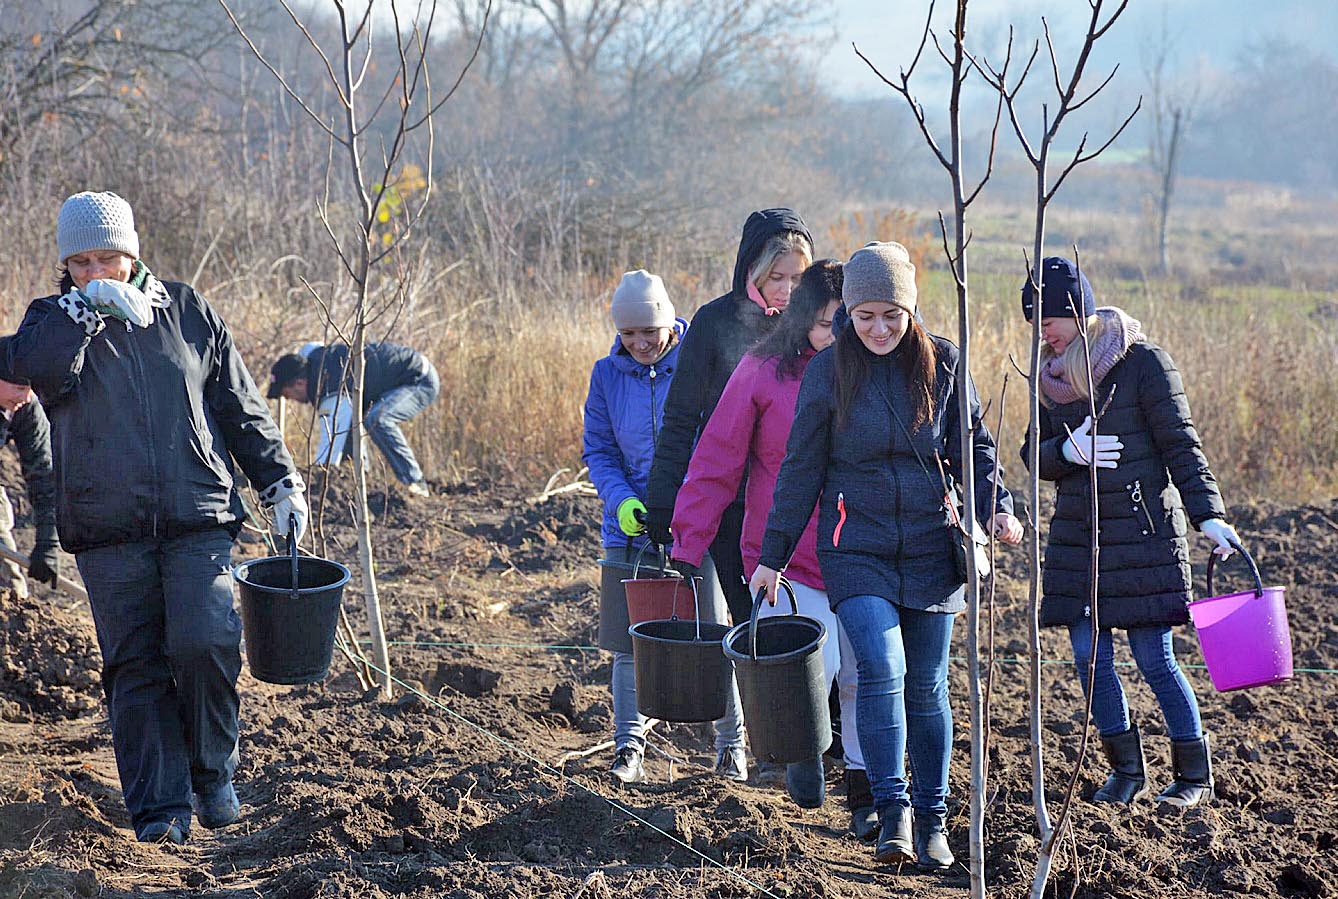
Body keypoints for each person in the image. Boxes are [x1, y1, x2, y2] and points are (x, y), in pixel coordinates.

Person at [7, 191, 308, 845]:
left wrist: (280, 480)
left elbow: (239, 406)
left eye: (107, 258)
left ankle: (213, 773)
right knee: (136, 665)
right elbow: (48, 377)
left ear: (132, 252)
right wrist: (82, 316)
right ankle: (159, 808)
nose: (93, 272)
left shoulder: (187, 310)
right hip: (107, 526)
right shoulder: (48, 320)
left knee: (207, 642)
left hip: (197, 511)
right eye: (79, 262)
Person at [750, 242, 1024, 870]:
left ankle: (933, 820)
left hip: (933, 546)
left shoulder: (944, 364)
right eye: (866, 315)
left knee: (928, 687)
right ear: (849, 311)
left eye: (891, 316)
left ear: (911, 311)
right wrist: (774, 555)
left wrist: (996, 508)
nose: (878, 329)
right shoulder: (829, 371)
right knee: (880, 666)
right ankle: (891, 812)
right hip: (857, 547)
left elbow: (974, 450)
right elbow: (800, 469)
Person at [1019, 256, 1240, 810]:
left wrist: (1207, 515)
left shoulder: (1143, 364)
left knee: (1153, 658)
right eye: (1035, 320)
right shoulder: (1049, 377)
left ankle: (1193, 774)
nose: (1042, 329)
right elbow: (1031, 453)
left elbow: (1181, 445)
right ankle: (1127, 771)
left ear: (1080, 309)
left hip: (1143, 536)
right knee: (1087, 658)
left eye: (1050, 316)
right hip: (1079, 538)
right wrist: (1065, 452)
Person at [667, 260, 875, 832]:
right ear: (806, 317)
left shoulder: (871, 369)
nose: (842, 335)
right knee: (807, 669)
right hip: (784, 557)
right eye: (830, 323)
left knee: (863, 676)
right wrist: (689, 538)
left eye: (849, 323)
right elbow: (717, 457)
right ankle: (802, 756)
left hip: (862, 555)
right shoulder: (763, 370)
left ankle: (863, 789)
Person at [582, 271, 746, 784]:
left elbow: (715, 441)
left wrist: (687, 506)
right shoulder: (607, 375)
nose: (641, 343)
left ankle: (731, 746)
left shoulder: (697, 361)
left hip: (697, 526)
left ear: (667, 322)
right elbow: (600, 451)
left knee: (715, 631)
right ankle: (628, 748)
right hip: (628, 531)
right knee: (630, 641)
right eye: (629, 335)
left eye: (648, 331)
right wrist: (624, 500)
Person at [645, 208, 814, 633]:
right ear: (752, 270)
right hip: (734, 509)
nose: (787, 290)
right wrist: (664, 496)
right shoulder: (714, 322)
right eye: (776, 277)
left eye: (797, 278)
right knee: (754, 629)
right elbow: (681, 417)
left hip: (805, 507)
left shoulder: (820, 325)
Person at [268, 340, 439, 496]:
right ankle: (361, 482)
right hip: (392, 380)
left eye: (287, 394)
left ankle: (416, 483)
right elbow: (309, 347)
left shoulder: (332, 392)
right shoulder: (312, 360)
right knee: (351, 423)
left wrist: (314, 481)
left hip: (418, 378)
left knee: (378, 419)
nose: (291, 400)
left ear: (299, 383)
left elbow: (330, 446)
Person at [0, 364, 58, 599]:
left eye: (30, 389)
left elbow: (44, 475)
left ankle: (14, 609)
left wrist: (48, 541)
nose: (26, 396)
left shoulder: (26, 408)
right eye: (20, 387)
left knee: (8, 585)